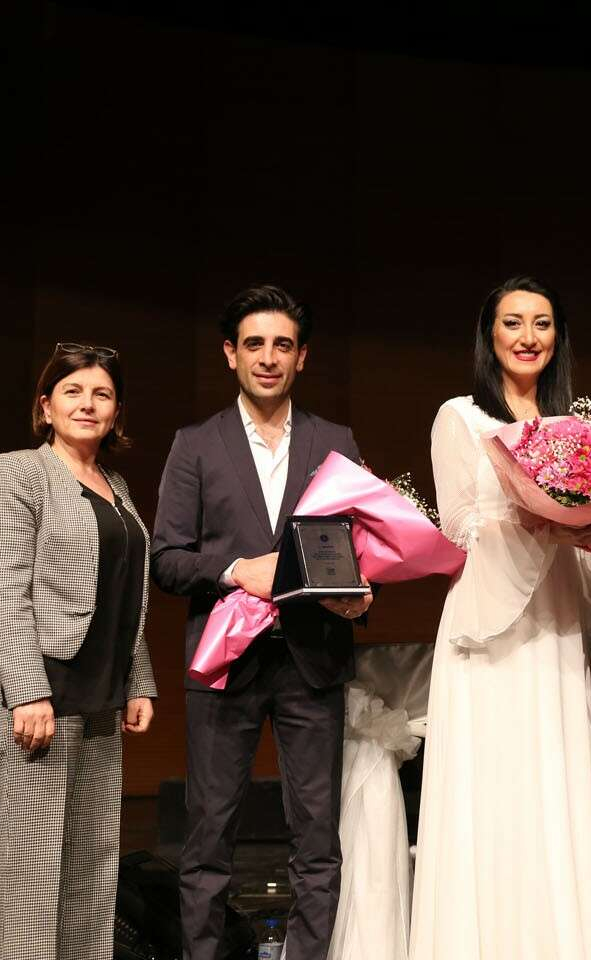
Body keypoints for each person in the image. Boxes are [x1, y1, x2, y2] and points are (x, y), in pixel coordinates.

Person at [152, 285, 371, 960]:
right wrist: (234, 569)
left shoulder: (335, 441)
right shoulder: (196, 444)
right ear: (231, 354)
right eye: (254, 344)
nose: (268, 358)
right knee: (208, 835)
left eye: (282, 345)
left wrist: (359, 595)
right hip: (226, 662)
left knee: (317, 838)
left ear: (302, 357)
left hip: (313, 660)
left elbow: (361, 548)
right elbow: (166, 558)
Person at [408, 276, 591, 960]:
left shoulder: (578, 428)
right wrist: (540, 521)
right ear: (489, 335)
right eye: (513, 323)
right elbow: (460, 528)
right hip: (488, 623)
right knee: (488, 789)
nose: (528, 337)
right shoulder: (459, 417)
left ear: (558, 337)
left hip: (554, 623)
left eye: (542, 323)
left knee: (550, 786)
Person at [0, 342, 157, 960]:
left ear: (116, 412)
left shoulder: (116, 485)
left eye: (102, 394)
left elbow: (125, 593)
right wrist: (27, 692)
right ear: (45, 406)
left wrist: (139, 680)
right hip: (43, 696)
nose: (88, 403)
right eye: (73, 391)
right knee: (33, 873)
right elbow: (5, 592)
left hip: (102, 697)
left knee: (92, 868)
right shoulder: (17, 473)